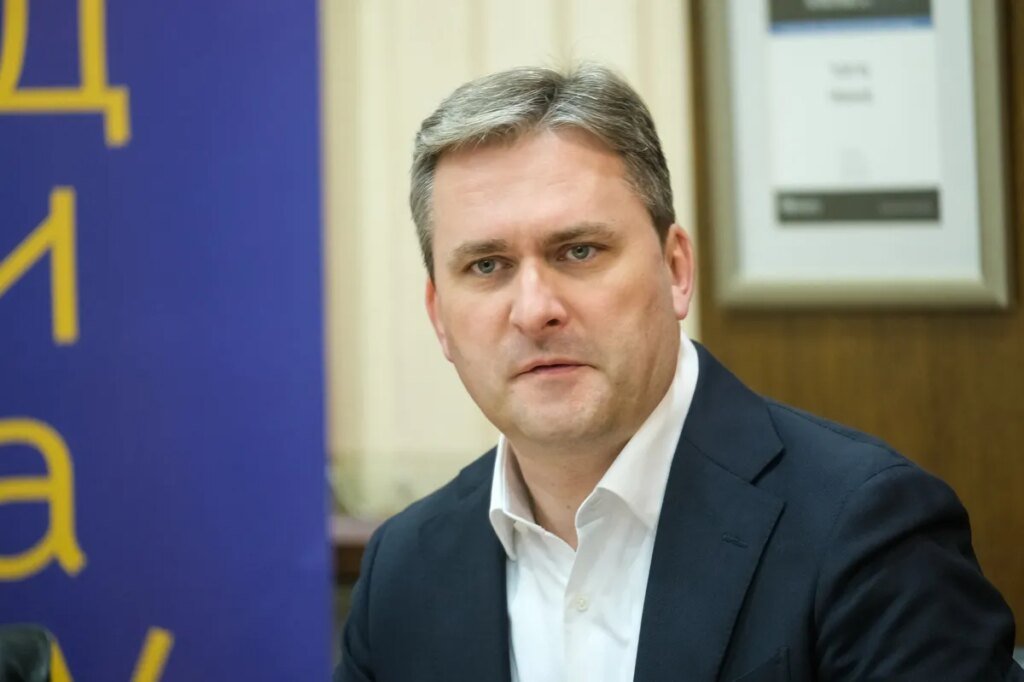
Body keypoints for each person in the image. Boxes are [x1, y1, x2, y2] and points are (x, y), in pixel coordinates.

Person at [337, 64, 1022, 682]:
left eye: (579, 251)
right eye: (487, 266)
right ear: (439, 316)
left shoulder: (867, 529)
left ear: (676, 270)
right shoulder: (404, 568)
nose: (535, 309)